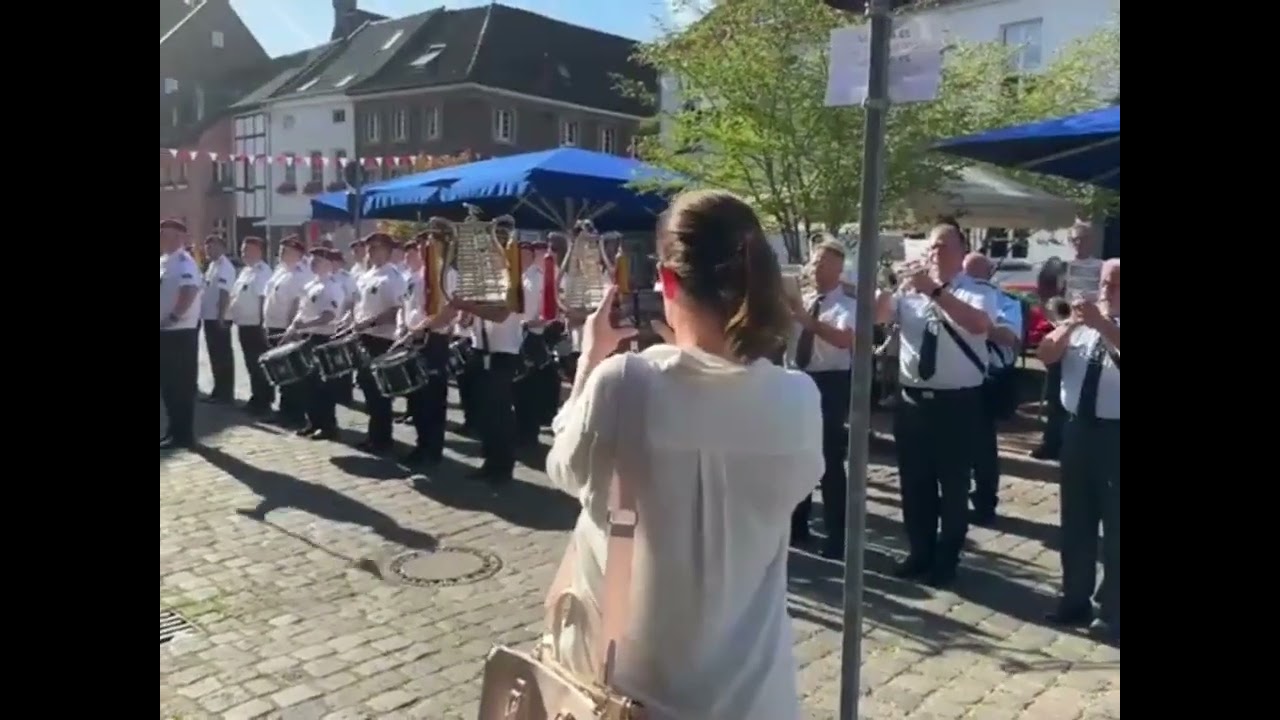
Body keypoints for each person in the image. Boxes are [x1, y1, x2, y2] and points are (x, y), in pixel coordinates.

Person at [545, 189, 821, 720]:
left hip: (629, 695)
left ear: (667, 281)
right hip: (753, 697)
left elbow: (564, 468)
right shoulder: (799, 399)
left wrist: (589, 360)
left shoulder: (626, 381)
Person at [875, 224, 1000, 587]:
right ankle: (920, 551)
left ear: (962, 251)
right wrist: (891, 286)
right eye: (930, 247)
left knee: (954, 485)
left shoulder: (977, 290)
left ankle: (947, 560)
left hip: (957, 403)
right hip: (913, 400)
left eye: (943, 246)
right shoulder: (910, 294)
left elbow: (978, 325)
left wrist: (936, 292)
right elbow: (879, 316)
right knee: (915, 483)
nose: (934, 253)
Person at [1037, 258, 1120, 643]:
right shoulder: (1081, 324)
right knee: (1076, 521)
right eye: (1104, 281)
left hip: (1115, 434)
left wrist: (1104, 326)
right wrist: (1070, 324)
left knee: (1115, 525)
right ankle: (1075, 597)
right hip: (1077, 430)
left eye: (1115, 283)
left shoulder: (1104, 327)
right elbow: (1046, 355)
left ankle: (1113, 610)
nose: (1107, 288)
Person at [785, 238, 855, 560]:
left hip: (831, 383)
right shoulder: (805, 301)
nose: (815, 268)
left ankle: (836, 534)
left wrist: (806, 319)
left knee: (828, 459)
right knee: (797, 455)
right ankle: (798, 526)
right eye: (813, 262)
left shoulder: (846, 306)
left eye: (823, 263)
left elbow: (843, 339)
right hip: (799, 380)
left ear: (839, 269)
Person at [449, 217, 525, 482]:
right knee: (484, 410)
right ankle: (490, 459)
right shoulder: (487, 280)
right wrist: (468, 317)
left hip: (503, 352)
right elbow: (479, 312)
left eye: (490, 250)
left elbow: (502, 314)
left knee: (500, 411)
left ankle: (502, 465)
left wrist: (467, 307)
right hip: (481, 348)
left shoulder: (512, 279)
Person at [962, 253, 1023, 525]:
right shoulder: (954, 298)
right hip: (956, 380)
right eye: (966, 274)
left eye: (975, 275)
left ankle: (985, 503)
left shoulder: (1005, 301)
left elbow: (1009, 337)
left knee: (983, 446)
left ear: (987, 275)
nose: (969, 280)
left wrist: (974, 325)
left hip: (986, 380)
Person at [1033, 221, 1099, 460]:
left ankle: (1080, 443)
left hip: (1091, 336)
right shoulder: (1057, 267)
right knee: (1054, 393)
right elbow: (1047, 299)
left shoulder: (1102, 268)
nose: (1080, 244)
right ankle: (1051, 442)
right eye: (1076, 239)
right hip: (1062, 333)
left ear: (1093, 241)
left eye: (1085, 239)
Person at [397, 228, 458, 465]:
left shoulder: (446, 274)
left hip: (434, 340)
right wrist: (404, 327)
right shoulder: (415, 274)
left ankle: (432, 451)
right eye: (422, 245)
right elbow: (406, 305)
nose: (424, 249)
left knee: (433, 398)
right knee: (418, 398)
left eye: (430, 244)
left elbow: (451, 309)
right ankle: (421, 445)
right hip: (414, 340)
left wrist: (425, 326)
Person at [351, 233, 408, 453]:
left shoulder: (392, 277)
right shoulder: (367, 275)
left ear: (388, 250)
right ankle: (374, 435)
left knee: (380, 392)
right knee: (367, 388)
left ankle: (383, 439)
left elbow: (396, 309)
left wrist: (370, 322)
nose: (372, 252)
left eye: (377, 248)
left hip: (381, 339)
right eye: (370, 248)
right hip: (365, 336)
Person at [283, 248, 345, 440]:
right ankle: (313, 422)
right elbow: (301, 312)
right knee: (307, 383)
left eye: (318, 260)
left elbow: (329, 316)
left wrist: (305, 325)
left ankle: (328, 426)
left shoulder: (332, 286)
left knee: (322, 386)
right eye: (312, 259)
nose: (313, 262)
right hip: (306, 337)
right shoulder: (311, 285)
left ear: (328, 264)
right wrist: (292, 329)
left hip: (322, 338)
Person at [160, 219, 203, 450]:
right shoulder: (164, 262)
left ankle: (184, 434)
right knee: (167, 386)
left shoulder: (185, 262)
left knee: (181, 386)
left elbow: (189, 290)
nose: (160, 239)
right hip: (165, 332)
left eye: (164, 235)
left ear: (177, 238)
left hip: (180, 332)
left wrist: (175, 316)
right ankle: (173, 430)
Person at [261, 237, 314, 426]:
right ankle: (285, 410)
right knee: (280, 372)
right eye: (282, 250)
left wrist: (291, 330)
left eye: (286, 251)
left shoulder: (301, 274)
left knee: (291, 373)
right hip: (273, 326)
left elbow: (299, 304)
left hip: (287, 329)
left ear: (298, 254)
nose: (282, 253)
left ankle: (294, 413)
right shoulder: (280, 271)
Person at [514, 236, 555, 446]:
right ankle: (521, 430)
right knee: (516, 389)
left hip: (532, 336)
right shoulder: (513, 277)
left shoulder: (538, 278)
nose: (521, 258)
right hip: (513, 337)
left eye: (525, 255)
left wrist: (532, 323)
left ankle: (530, 434)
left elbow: (549, 312)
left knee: (529, 389)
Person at [229, 236, 274, 416]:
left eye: (248, 249)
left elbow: (264, 299)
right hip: (244, 324)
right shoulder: (245, 272)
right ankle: (256, 396)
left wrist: (264, 324)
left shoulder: (263, 272)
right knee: (250, 364)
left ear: (259, 251)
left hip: (256, 326)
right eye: (242, 250)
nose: (244, 253)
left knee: (259, 365)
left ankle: (264, 400)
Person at [199, 234, 237, 403]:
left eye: (212, 247)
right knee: (214, 355)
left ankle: (225, 392)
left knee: (223, 355)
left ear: (221, 248)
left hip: (218, 318)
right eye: (207, 248)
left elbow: (224, 293)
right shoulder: (212, 266)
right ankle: (218, 389)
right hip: (209, 317)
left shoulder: (225, 267)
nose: (209, 251)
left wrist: (221, 316)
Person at [332, 248, 360, 406]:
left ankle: (345, 394)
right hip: (330, 325)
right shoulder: (327, 277)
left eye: (336, 261)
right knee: (333, 360)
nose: (334, 264)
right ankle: (336, 392)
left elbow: (352, 300)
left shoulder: (346, 278)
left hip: (344, 323)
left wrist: (347, 321)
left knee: (344, 359)